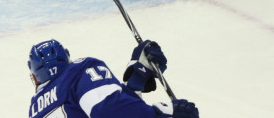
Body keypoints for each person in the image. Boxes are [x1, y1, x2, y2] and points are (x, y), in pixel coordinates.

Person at [27, 39, 199, 117]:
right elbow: (109, 111)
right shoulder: (79, 70)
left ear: (35, 78)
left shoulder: (35, 110)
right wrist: (161, 112)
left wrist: (135, 83)